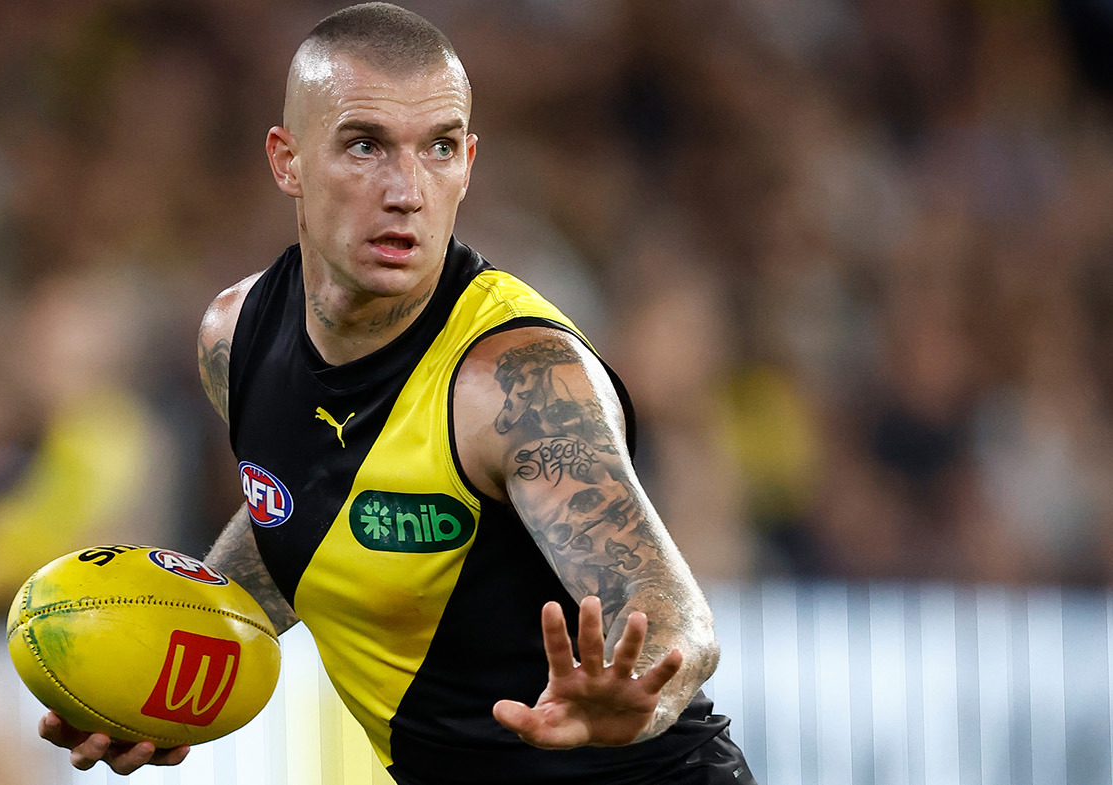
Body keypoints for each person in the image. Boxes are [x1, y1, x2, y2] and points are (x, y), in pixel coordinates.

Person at [40, 4, 755, 783]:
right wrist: (170, 675)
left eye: (439, 148)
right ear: (287, 160)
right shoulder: (235, 337)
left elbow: (674, 618)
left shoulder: (517, 377)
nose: (407, 191)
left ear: (469, 163)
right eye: (365, 145)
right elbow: (304, 508)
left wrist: (640, 697)